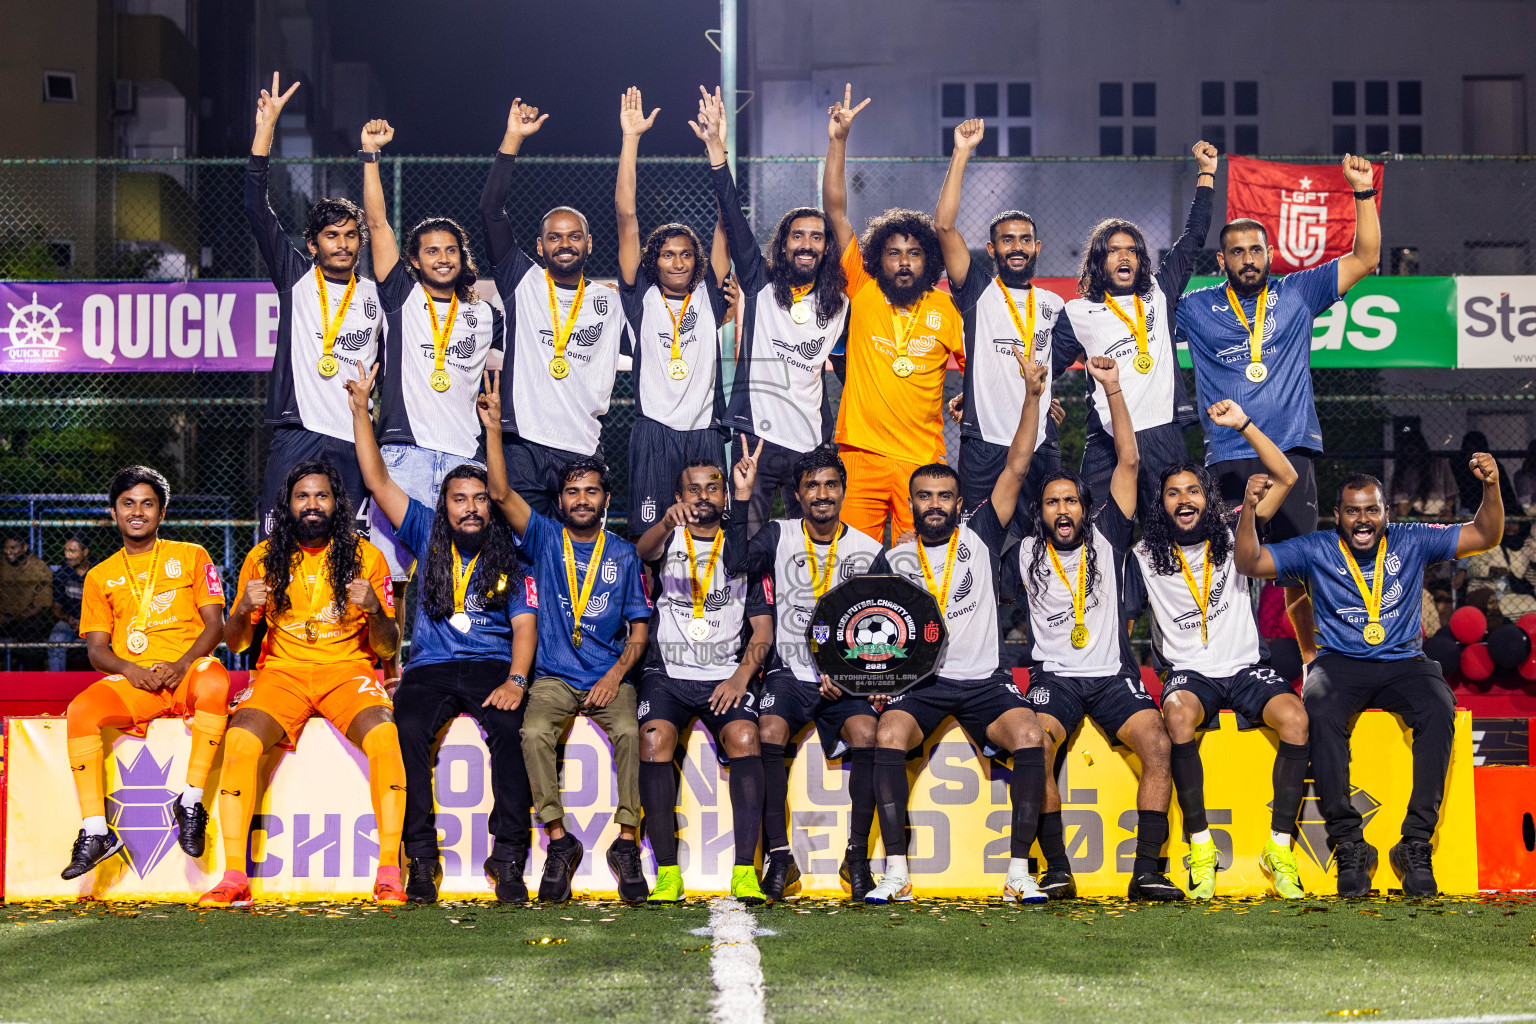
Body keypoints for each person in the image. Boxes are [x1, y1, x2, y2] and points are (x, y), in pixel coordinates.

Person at [1234, 454, 1505, 898]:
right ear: (1337, 515)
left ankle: (1415, 843)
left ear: (1386, 512)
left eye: (1372, 510)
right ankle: (1350, 844)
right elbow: (1249, 562)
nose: (1363, 520)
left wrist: (1491, 486)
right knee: (1319, 710)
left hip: (1404, 660)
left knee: (1439, 707)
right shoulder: (1316, 547)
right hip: (1339, 662)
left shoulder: (1412, 539)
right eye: (1353, 511)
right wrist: (1248, 508)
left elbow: (1486, 534)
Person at [1178, 153, 1381, 665]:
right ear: (1221, 260)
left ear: (1269, 254)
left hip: (1291, 451)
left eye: (1255, 250)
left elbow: (1366, 258)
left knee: (1299, 569)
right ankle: (1230, 661)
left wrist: (1362, 192)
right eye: (1236, 252)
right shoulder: (1196, 306)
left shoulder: (1297, 292)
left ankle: (1312, 663)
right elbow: (1142, 313)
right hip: (1228, 455)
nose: (1247, 259)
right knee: (1230, 565)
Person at [864, 353, 1052, 905]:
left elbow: (1017, 465)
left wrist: (1033, 396)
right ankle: (896, 872)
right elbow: (866, 632)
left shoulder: (981, 535)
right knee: (887, 736)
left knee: (1030, 736)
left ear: (958, 502)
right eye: (925, 496)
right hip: (922, 684)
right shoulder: (892, 559)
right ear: (912, 503)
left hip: (984, 681)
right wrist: (874, 680)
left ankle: (1019, 872)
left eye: (944, 496)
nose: (935, 505)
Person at [346, 366, 536, 905]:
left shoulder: (511, 547)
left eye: (479, 498)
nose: (470, 507)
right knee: (405, 728)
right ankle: (422, 857)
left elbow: (525, 625)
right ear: (444, 505)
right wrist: (361, 412)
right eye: (459, 498)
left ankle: (508, 856)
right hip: (430, 668)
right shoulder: (425, 531)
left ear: (490, 503)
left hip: (492, 664)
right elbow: (379, 481)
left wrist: (517, 680)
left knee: (511, 729)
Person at [480, 374, 654, 905]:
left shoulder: (623, 554)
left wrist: (616, 675)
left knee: (632, 733)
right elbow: (500, 493)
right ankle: (559, 841)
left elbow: (639, 628)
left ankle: (627, 843)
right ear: (559, 500)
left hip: (607, 676)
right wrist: (493, 428)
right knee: (533, 733)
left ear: (605, 499)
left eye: (591, 491)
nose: (582, 499)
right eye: (573, 492)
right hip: (553, 677)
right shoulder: (542, 536)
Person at [1126, 401, 1309, 899]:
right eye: (1172, 493)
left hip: (1246, 668)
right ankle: (1201, 846)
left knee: (1296, 719)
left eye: (1193, 490)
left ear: (1207, 498)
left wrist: (1244, 425)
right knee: (1178, 716)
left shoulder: (1232, 531)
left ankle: (1279, 847)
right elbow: (1123, 623)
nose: (1183, 499)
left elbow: (1286, 476)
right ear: (1161, 504)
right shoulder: (1142, 556)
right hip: (1190, 673)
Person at [1020, 357, 1184, 902]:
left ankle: (1147, 871)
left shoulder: (1108, 537)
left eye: (1071, 500)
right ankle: (1056, 868)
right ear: (1041, 512)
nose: (1062, 510)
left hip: (1113, 676)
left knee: (1156, 742)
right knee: (1037, 746)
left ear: (1086, 508)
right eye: (1052, 502)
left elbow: (1130, 461)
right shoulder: (1022, 552)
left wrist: (1113, 388)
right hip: (1055, 678)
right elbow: (1013, 471)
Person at [202, 461, 403, 907]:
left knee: (385, 737)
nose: (312, 504)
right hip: (282, 673)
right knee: (240, 742)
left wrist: (375, 609)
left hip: (347, 671)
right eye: (302, 496)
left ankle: (389, 872)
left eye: (321, 496)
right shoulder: (261, 557)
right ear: (288, 504)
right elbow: (237, 643)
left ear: (336, 503)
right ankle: (234, 876)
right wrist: (242, 610)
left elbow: (387, 647)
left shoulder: (368, 557)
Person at [724, 442, 885, 900]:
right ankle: (780, 856)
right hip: (791, 673)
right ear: (797, 494)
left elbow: (881, 622)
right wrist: (742, 497)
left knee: (868, 734)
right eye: (812, 485)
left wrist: (853, 672)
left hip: (847, 677)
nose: (822, 494)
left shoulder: (869, 550)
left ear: (843, 491)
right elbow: (736, 562)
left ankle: (856, 856)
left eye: (830, 484)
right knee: (769, 730)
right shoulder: (779, 533)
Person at [60, 467, 230, 881]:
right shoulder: (99, 576)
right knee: (81, 711)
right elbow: (97, 651)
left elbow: (216, 626)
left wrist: (183, 664)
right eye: (128, 504)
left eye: (147, 504)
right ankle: (96, 831)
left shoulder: (192, 555)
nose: (137, 512)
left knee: (215, 681)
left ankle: (190, 801)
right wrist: (130, 670)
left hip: (186, 672)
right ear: (113, 512)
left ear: (162, 512)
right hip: (136, 681)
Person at [357, 118, 503, 588]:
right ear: (414, 261)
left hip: (466, 461)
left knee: (468, 577)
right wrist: (371, 156)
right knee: (390, 579)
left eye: (451, 250)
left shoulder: (485, 315)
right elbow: (377, 224)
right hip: (405, 457)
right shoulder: (402, 297)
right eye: (432, 251)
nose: (443, 257)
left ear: (462, 257)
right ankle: (392, 645)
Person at [704, 92, 851, 536]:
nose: (807, 243)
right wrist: (717, 150)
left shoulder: (842, 302)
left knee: (809, 547)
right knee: (746, 539)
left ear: (827, 247)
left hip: (810, 445)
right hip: (757, 440)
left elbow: (851, 366)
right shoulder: (760, 282)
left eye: (816, 237)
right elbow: (732, 216)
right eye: (797, 236)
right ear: (783, 244)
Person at [823, 84, 965, 541]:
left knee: (920, 565)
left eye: (914, 253)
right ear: (876, 259)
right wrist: (839, 141)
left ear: (929, 261)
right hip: (860, 454)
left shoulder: (946, 307)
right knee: (850, 562)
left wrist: (974, 397)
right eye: (893, 253)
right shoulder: (862, 289)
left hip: (922, 462)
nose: (904, 262)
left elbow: (982, 370)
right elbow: (836, 212)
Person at [633, 459, 774, 905]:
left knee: (746, 736)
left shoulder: (743, 548)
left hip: (724, 674)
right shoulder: (667, 538)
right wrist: (663, 523)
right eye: (693, 489)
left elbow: (763, 632)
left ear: (725, 497)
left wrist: (740, 677)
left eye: (712, 488)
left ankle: (745, 872)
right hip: (668, 674)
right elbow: (642, 551)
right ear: (679, 497)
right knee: (653, 738)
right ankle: (667, 873)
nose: (702, 496)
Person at [1053, 142, 1218, 518]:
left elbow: (1193, 238)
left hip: (1162, 433)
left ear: (1141, 260)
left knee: (1172, 529)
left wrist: (1206, 173)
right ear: (1099, 260)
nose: (1124, 255)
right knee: (1095, 532)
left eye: (1131, 249)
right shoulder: (1077, 312)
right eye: (1113, 250)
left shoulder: (1160, 290)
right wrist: (1037, 399)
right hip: (1106, 439)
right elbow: (1043, 368)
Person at [245, 73, 381, 528]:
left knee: (349, 543)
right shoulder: (296, 277)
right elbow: (256, 209)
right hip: (298, 431)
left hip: (353, 435)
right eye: (331, 235)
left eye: (350, 235)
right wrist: (267, 127)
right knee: (278, 538)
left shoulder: (377, 295)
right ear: (312, 244)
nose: (342, 244)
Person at [479, 99, 627, 515]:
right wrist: (513, 139)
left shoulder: (610, 301)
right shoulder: (521, 280)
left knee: (578, 549)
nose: (565, 244)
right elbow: (491, 211)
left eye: (574, 236)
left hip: (581, 447)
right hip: (522, 446)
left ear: (589, 244)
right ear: (540, 246)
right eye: (555, 237)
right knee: (520, 546)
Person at [934, 118, 1067, 515]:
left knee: (1042, 538)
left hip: (1041, 442)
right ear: (992, 250)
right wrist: (962, 152)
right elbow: (944, 226)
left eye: (1025, 239)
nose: (1017, 247)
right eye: (1007, 240)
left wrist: (1050, 397)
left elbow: (1062, 360)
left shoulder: (1055, 305)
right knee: (979, 540)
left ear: (1037, 247)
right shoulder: (978, 292)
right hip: (986, 443)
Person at [614, 88, 731, 537]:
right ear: (654, 260)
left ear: (696, 260)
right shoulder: (640, 295)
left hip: (704, 432)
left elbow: (726, 221)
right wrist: (631, 140)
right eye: (667, 254)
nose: (678, 262)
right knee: (650, 538)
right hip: (654, 433)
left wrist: (716, 145)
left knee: (710, 533)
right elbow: (627, 216)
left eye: (686, 254)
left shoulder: (710, 295)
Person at [1, 533, 54, 668]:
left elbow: (39, 606)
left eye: (13, 548)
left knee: (33, 631)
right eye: (6, 548)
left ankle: (34, 677)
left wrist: (11, 618)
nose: (8, 552)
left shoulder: (40, 568)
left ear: (24, 547)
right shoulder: (2, 564)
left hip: (26, 618)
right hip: (2, 615)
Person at [49, 536, 90, 671]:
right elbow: (56, 607)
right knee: (56, 637)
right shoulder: (62, 573)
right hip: (70, 621)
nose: (68, 555)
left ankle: (106, 680)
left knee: (102, 642)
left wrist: (88, 622)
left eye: (72, 551)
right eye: (66, 551)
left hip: (94, 622)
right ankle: (56, 679)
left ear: (85, 552)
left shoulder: (98, 570)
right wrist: (68, 618)